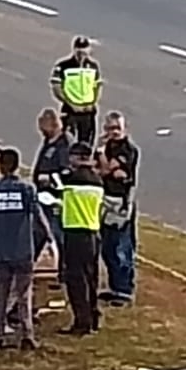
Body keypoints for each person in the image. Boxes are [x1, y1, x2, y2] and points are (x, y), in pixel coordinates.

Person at [0, 146, 52, 352]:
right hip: (23, 250)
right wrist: (49, 239)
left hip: (1, 250)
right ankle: (27, 335)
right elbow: (38, 216)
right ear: (18, 166)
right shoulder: (27, 189)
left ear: (1, 166)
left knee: (1, 295)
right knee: (24, 294)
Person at [59, 142, 105, 336]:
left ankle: (81, 322)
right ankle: (94, 316)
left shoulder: (72, 179)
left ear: (77, 157)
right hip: (93, 231)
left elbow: (54, 189)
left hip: (75, 231)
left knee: (76, 279)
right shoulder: (97, 180)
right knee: (91, 278)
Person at [96, 110, 139, 306]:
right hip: (105, 199)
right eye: (110, 128)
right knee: (107, 246)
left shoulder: (126, 150)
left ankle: (124, 289)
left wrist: (101, 153)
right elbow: (96, 170)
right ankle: (114, 286)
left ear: (124, 129)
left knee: (122, 246)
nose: (113, 132)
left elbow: (107, 169)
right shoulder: (108, 148)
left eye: (117, 128)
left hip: (120, 203)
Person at [31, 107, 70, 272]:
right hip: (42, 197)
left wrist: (49, 179)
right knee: (38, 232)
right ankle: (29, 263)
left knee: (57, 234)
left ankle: (64, 270)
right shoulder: (49, 143)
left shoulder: (64, 145)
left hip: (55, 199)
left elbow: (66, 172)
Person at [50, 35, 102, 146]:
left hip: (88, 111)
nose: (81, 55)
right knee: (67, 142)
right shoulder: (63, 66)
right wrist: (71, 103)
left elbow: (97, 86)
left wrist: (93, 103)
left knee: (86, 144)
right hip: (70, 111)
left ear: (89, 50)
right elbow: (56, 87)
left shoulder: (93, 66)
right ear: (74, 50)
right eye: (79, 51)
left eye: (84, 51)